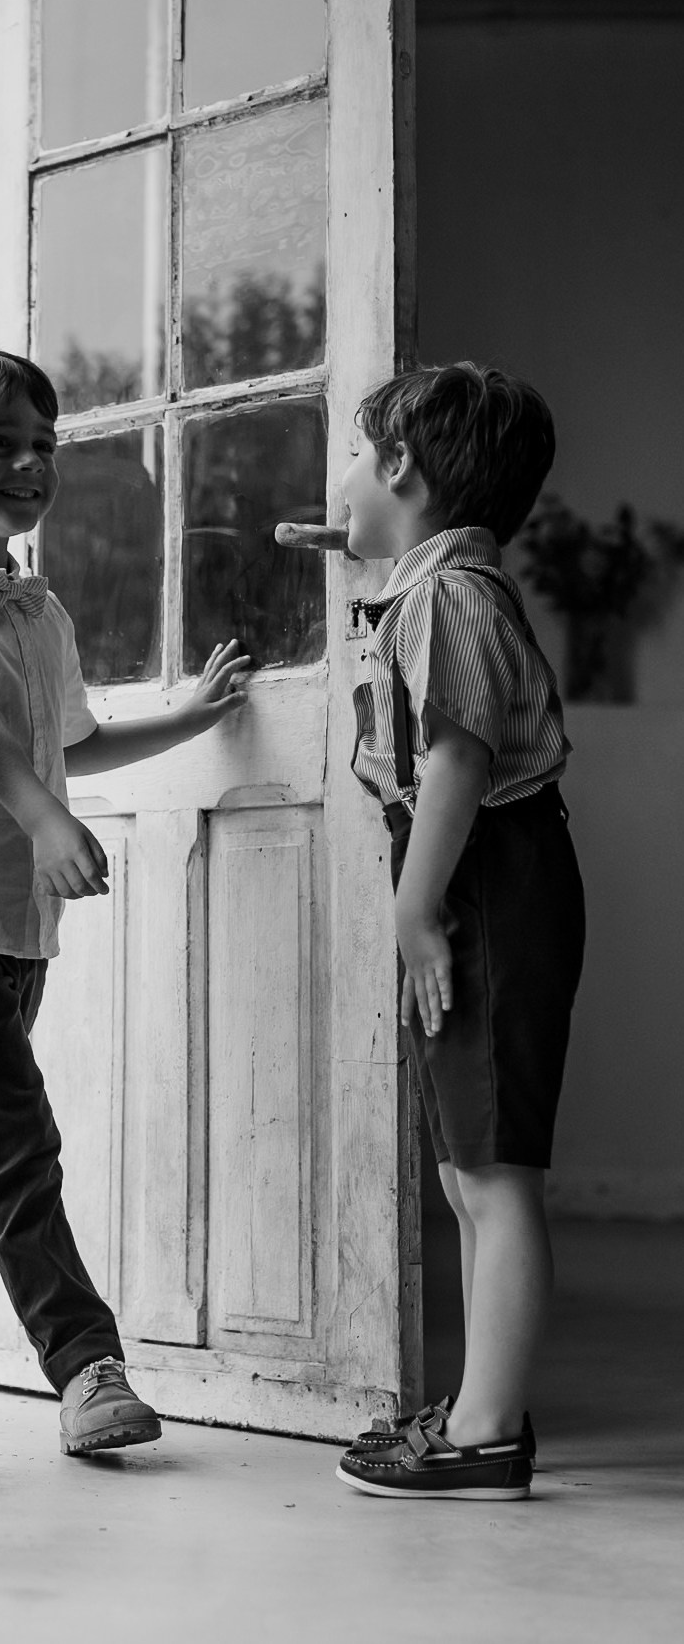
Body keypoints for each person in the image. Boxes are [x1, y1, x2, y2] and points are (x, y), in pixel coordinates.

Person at [0, 341, 248, 1452]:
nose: (30, 463)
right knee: (18, 1146)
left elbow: (74, 742)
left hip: (17, 935)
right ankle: (85, 1367)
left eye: (45, 444)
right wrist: (44, 822)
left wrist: (193, 717)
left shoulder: (42, 611)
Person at [333, 362, 585, 1501]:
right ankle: (486, 1407)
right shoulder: (433, 584)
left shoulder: (446, 594)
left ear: (399, 466)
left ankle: (486, 1432)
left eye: (358, 454)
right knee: (466, 1169)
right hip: (476, 874)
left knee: (495, 1175)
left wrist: (415, 906)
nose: (345, 479)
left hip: (482, 876)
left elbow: (457, 761)